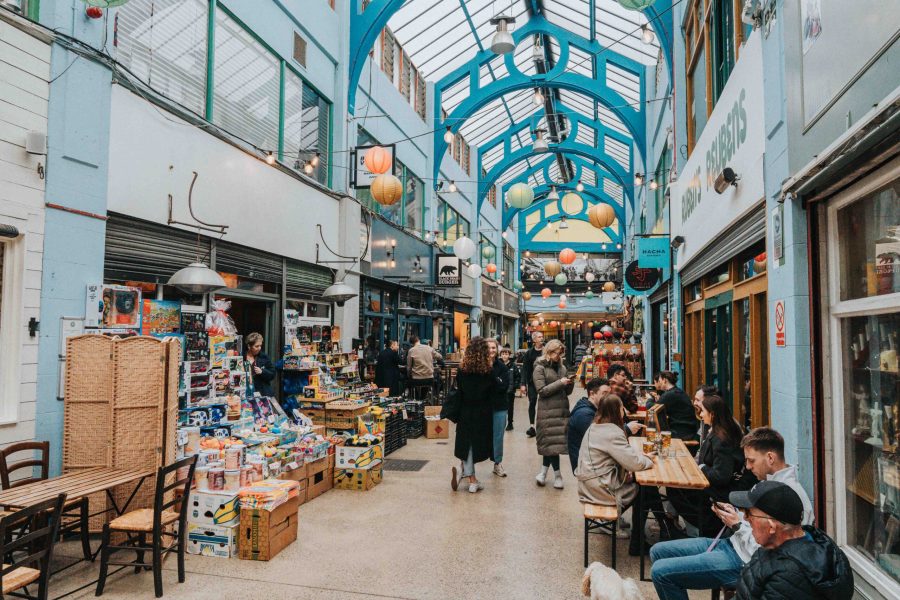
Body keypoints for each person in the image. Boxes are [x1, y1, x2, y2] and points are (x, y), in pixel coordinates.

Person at [650, 428, 814, 600]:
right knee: (657, 551)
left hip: (745, 560)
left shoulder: (791, 497)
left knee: (661, 572)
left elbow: (779, 554)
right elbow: (756, 522)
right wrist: (734, 514)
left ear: (770, 458)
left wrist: (737, 526)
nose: (748, 467)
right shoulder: (766, 481)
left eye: (751, 461)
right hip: (730, 543)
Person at [576, 394, 678, 556]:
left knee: (645, 488)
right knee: (645, 489)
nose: (623, 410)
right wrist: (649, 460)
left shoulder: (595, 427)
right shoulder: (612, 432)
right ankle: (653, 535)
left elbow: (624, 457)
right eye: (621, 407)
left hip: (589, 485)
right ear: (616, 410)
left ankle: (657, 533)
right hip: (602, 489)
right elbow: (634, 463)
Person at [731, 481, 854, 599]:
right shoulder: (816, 540)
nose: (745, 518)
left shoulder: (787, 577)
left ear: (771, 527)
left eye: (748, 513)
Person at [668, 394, 751, 537]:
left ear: (712, 414)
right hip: (714, 484)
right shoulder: (717, 430)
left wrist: (702, 468)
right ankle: (695, 528)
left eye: (703, 411)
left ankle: (702, 528)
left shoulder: (721, 437)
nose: (700, 414)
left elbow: (721, 475)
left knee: (676, 491)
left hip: (723, 489)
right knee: (676, 489)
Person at [450, 337, 498, 494]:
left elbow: (459, 391)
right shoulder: (488, 372)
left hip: (465, 411)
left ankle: (466, 471)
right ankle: (472, 480)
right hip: (482, 413)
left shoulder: (462, 371)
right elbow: (494, 393)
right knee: (474, 445)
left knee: (466, 444)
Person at [532, 339, 573, 489]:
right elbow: (541, 390)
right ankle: (557, 476)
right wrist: (560, 383)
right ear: (548, 352)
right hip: (547, 410)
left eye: (560, 353)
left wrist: (569, 383)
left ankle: (543, 473)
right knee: (550, 443)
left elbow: (567, 392)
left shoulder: (562, 368)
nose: (558, 356)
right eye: (556, 352)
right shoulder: (539, 367)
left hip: (561, 410)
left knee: (553, 443)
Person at [567, 378, 610, 470]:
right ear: (592, 394)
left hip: (593, 462)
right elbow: (599, 437)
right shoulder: (584, 414)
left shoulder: (594, 409)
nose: (608, 397)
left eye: (609, 393)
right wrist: (627, 429)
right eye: (604, 393)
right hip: (587, 468)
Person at [647, 371, 699, 442]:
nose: (659, 383)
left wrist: (649, 398)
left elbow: (651, 407)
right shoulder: (677, 391)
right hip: (688, 430)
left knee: (654, 430)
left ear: (665, 380)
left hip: (681, 433)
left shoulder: (670, 394)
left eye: (659, 380)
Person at [487, 340, 511, 477]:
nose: (491, 350)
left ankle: (497, 463)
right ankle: (469, 466)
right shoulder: (478, 366)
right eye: (488, 348)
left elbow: (503, 387)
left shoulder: (502, 367)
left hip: (499, 406)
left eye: (493, 348)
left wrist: (492, 375)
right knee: (479, 435)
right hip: (483, 406)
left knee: (498, 436)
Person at [520, 331, 544, 438]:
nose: (541, 338)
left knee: (544, 403)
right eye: (539, 337)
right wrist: (523, 384)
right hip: (532, 382)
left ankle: (543, 426)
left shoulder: (546, 352)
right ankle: (532, 426)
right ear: (534, 340)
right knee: (532, 402)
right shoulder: (529, 353)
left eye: (542, 337)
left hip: (544, 382)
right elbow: (525, 369)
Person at [245, 332, 275, 397]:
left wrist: (262, 372)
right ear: (249, 346)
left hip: (262, 393)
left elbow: (272, 374)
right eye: (256, 346)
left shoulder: (264, 357)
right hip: (246, 392)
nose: (259, 348)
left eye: (260, 345)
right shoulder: (241, 357)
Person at [500, 346, 519, 431]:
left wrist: (514, 386)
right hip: (500, 391)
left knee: (510, 408)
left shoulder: (513, 366)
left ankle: (510, 423)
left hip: (510, 391)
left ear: (509, 355)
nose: (504, 356)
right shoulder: (498, 365)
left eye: (506, 354)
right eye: (503, 354)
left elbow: (517, 377)